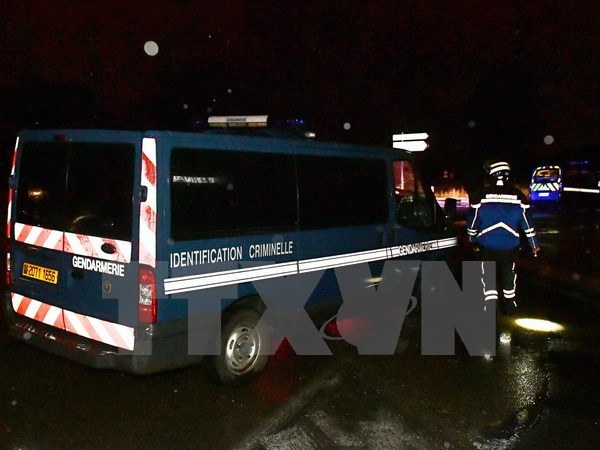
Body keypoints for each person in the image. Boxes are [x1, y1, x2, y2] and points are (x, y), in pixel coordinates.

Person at [467, 160, 540, 314]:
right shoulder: (518, 196)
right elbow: (528, 224)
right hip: (510, 245)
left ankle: (490, 306)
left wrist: (472, 239)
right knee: (508, 273)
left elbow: (473, 222)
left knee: (487, 274)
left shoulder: (481, 195)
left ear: (492, 176)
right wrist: (534, 245)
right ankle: (509, 305)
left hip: (486, 244)